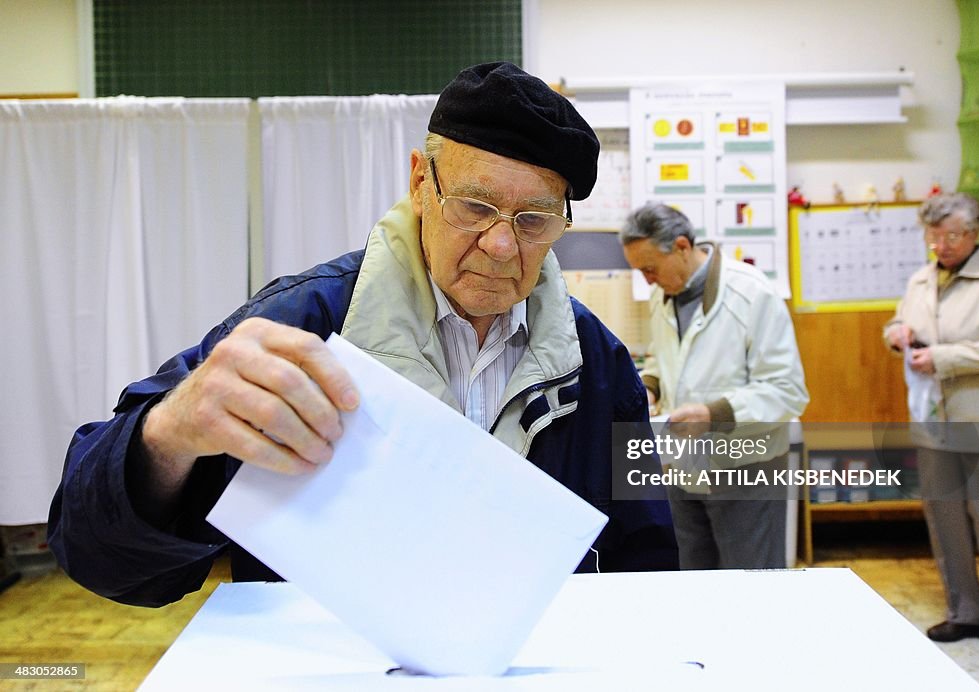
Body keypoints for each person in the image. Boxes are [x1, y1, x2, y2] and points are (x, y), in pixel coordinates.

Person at [47, 62, 677, 607]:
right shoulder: (305, 325)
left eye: (534, 219)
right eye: (475, 206)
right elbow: (96, 553)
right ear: (419, 183)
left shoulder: (597, 362)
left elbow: (647, 558)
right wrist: (165, 437)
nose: (502, 243)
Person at [619, 202, 808, 569]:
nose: (647, 281)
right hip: (683, 464)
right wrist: (651, 387)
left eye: (650, 269)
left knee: (750, 582)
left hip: (747, 466)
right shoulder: (662, 296)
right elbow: (663, 358)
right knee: (694, 578)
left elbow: (787, 389)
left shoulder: (752, 294)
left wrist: (713, 415)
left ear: (682, 247)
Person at [883, 192, 979, 662]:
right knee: (943, 517)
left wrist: (942, 359)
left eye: (952, 236)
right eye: (933, 235)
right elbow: (900, 322)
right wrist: (897, 334)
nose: (941, 245)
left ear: (975, 233)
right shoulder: (921, 278)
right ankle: (966, 612)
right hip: (934, 418)